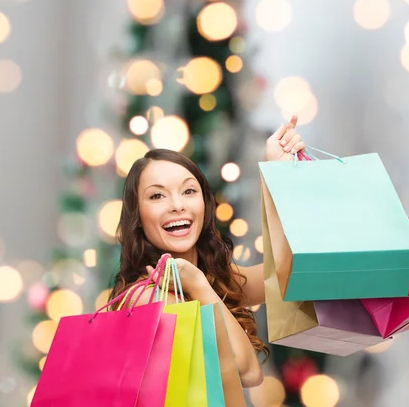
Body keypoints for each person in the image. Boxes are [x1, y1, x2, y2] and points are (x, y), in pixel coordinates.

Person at [109, 115, 306, 388]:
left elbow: (294, 274)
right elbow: (247, 372)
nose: (177, 205)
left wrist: (278, 174)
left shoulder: (212, 277)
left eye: (189, 191)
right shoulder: (148, 298)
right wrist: (199, 285)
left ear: (205, 204)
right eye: (157, 195)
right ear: (137, 216)